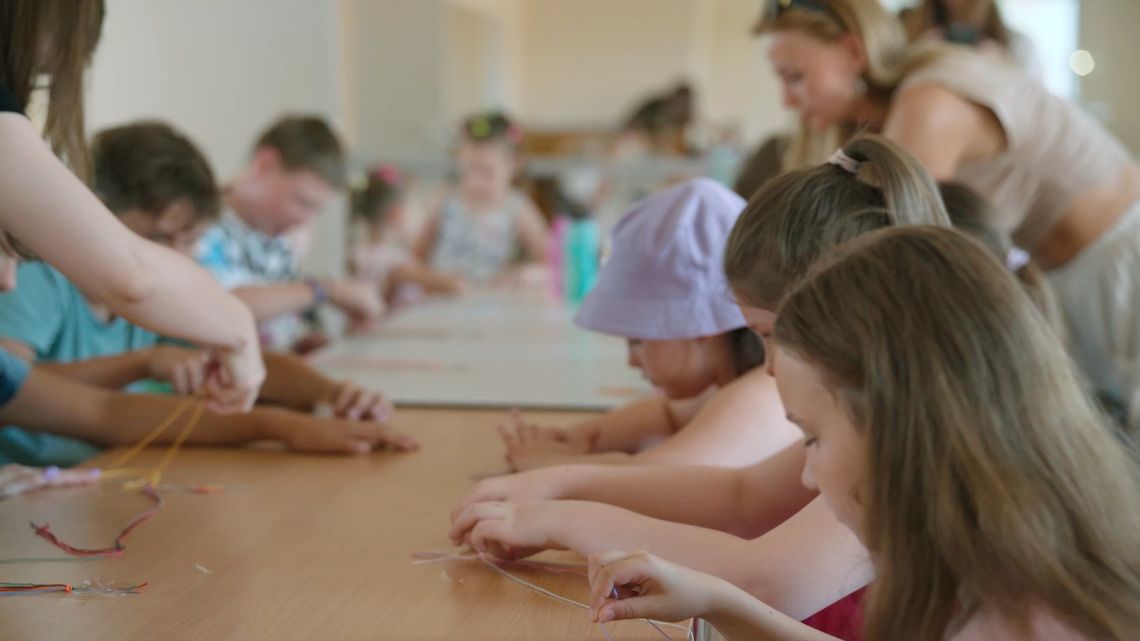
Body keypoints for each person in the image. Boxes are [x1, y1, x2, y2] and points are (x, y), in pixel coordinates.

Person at [587, 226, 1140, 641]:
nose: (807, 472)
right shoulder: (999, 557)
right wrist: (715, 600)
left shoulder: (1021, 616)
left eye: (813, 438)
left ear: (899, 429)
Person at [498, 179, 795, 472]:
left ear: (698, 327)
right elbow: (666, 415)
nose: (631, 360)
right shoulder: (731, 386)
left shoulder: (763, 392)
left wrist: (555, 465)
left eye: (638, 340)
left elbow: (662, 475)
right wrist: (573, 437)